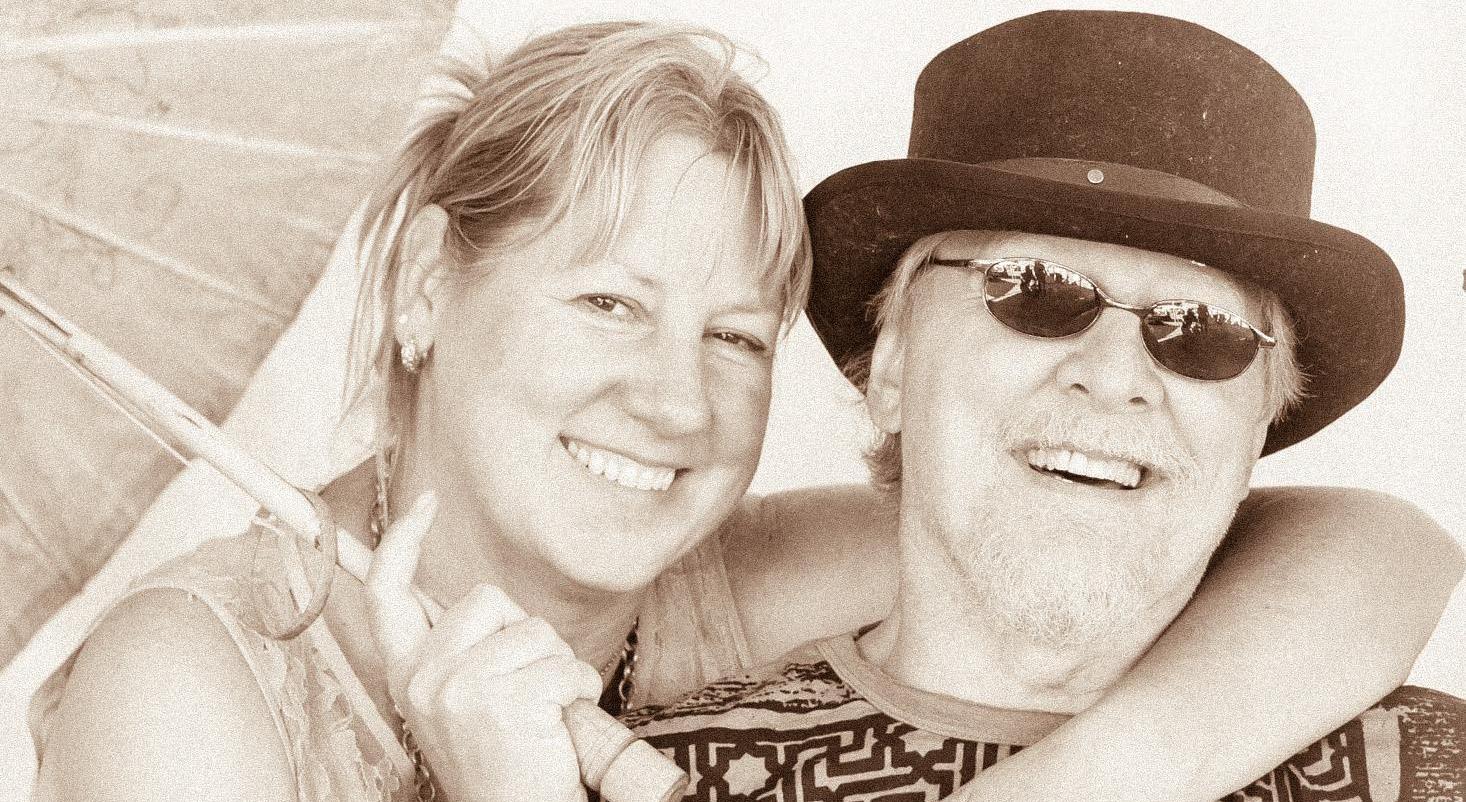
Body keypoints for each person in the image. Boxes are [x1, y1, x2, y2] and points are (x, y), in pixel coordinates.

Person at [25, 15, 1459, 802]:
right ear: (419, 286)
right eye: (607, 302)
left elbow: (1353, 547)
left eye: (730, 335)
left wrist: (1102, 776)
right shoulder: (183, 690)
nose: (671, 401)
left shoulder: (708, 584)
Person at [620, 11, 1466, 800]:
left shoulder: (1433, 773)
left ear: (1257, 425)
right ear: (892, 365)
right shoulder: (650, 778)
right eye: (1034, 289)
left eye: (1203, 330)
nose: (1116, 375)